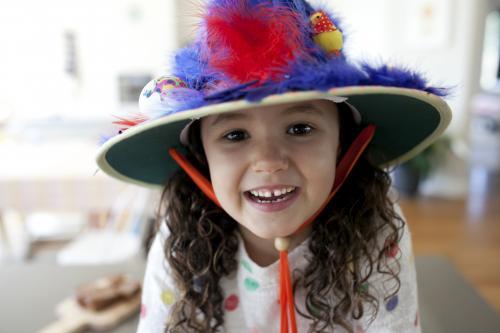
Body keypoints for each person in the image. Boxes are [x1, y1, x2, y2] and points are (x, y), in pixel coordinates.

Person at [96, 0, 452, 332]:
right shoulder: (179, 238)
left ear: (342, 142)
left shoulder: (376, 230)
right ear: (202, 157)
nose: (268, 162)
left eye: (300, 128)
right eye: (235, 135)